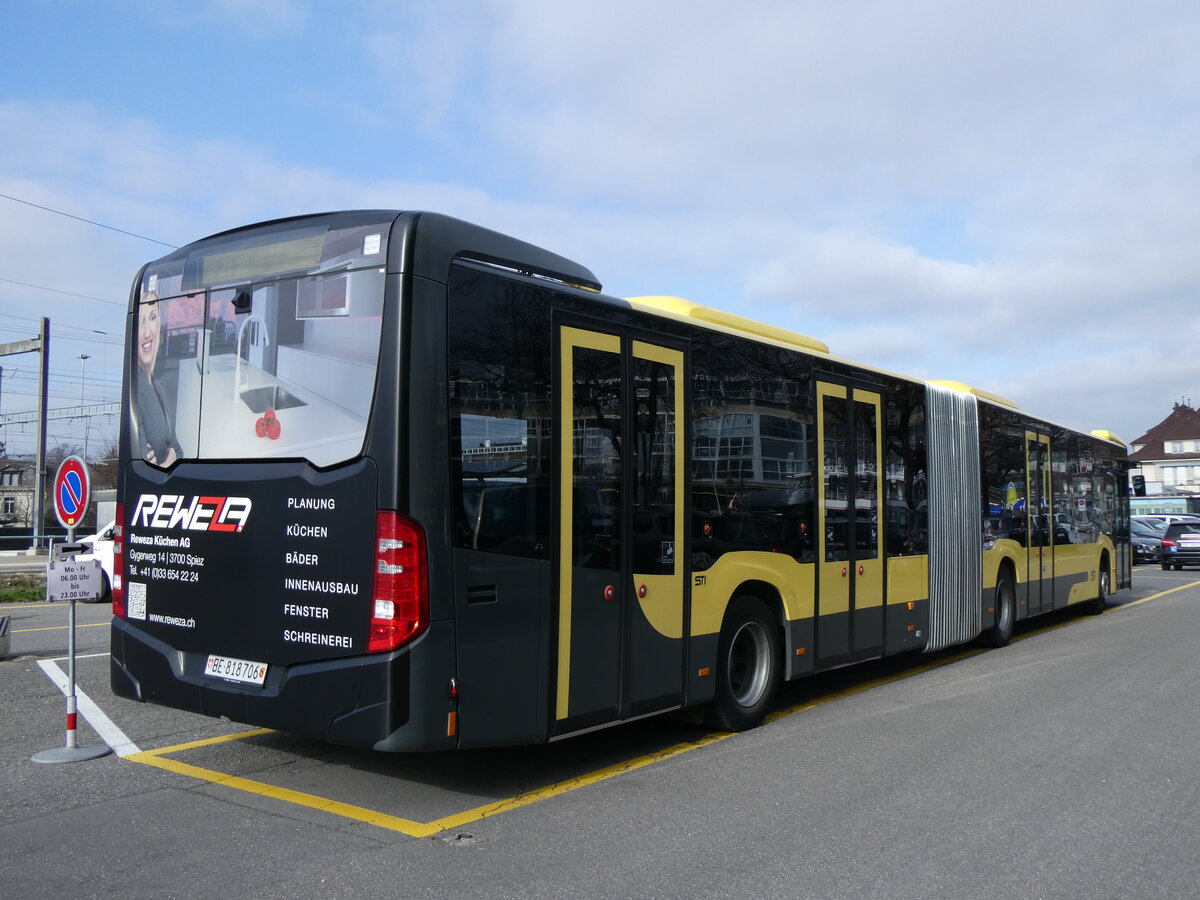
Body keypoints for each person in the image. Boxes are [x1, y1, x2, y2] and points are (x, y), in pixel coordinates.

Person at [135, 292, 181, 466]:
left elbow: (178, 451)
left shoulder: (159, 388)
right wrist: (170, 459)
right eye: (140, 322)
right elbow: (144, 464)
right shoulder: (135, 389)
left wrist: (170, 458)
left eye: (152, 317)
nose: (147, 332)